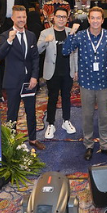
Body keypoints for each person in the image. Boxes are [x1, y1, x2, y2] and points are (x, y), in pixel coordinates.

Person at [63, 7, 107, 161]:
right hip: (86, 82)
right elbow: (65, 51)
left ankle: (105, 145)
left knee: (104, 115)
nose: (95, 21)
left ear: (102, 20)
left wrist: (106, 70)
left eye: (98, 18)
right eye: (92, 18)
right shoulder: (80, 35)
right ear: (88, 19)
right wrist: (71, 33)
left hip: (104, 82)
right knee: (87, 115)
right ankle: (88, 144)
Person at [0, 5, 44, 151]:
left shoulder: (31, 35)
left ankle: (33, 139)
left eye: (24, 17)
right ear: (12, 18)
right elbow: (0, 55)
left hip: (29, 81)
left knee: (31, 111)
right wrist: (9, 40)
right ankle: (11, 143)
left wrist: (35, 77)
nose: (22, 20)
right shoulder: (5, 35)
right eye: (19, 17)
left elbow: (35, 58)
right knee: (12, 113)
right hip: (13, 81)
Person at [37, 7, 78, 140]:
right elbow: (37, 50)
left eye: (64, 17)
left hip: (67, 70)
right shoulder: (45, 33)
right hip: (52, 71)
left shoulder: (70, 32)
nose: (61, 19)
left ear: (67, 19)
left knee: (66, 96)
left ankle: (66, 120)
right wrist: (45, 41)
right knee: (52, 97)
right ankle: (51, 124)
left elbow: (75, 52)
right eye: (59, 16)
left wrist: (76, 70)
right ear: (53, 18)